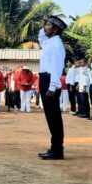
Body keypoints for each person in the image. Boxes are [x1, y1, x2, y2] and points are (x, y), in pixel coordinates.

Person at [36, 15, 66, 160]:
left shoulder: (55, 45)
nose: (45, 27)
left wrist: (52, 87)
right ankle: (55, 147)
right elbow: (41, 37)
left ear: (54, 30)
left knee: (54, 117)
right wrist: (45, 22)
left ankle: (57, 150)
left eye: (48, 25)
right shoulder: (49, 42)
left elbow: (56, 67)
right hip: (45, 79)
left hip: (50, 80)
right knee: (51, 116)